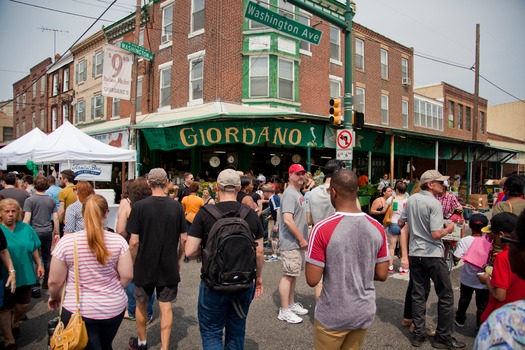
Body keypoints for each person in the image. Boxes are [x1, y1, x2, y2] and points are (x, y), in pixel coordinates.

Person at [306, 169, 389, 349]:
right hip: (363, 311)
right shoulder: (377, 227)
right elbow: (382, 274)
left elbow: (312, 279)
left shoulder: (321, 229)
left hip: (333, 313)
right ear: (356, 191)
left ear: (333, 192)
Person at [185, 168, 265, 349]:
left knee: (212, 332)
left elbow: (189, 251)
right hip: (244, 282)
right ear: (238, 189)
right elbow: (259, 252)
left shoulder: (205, 214)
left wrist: (207, 251)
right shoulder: (249, 214)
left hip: (213, 282)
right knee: (236, 332)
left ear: (217, 187)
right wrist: (258, 278)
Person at [48, 194, 133, 350]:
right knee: (106, 344)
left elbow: (54, 281)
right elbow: (127, 275)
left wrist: (54, 296)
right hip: (112, 307)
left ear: (82, 213)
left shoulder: (67, 242)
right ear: (106, 213)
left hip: (78, 308)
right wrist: (112, 289)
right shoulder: (118, 241)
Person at [398, 169, 466, 349]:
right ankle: (443, 336)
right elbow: (436, 234)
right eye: (440, 182)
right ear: (430, 184)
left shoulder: (411, 199)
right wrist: (449, 228)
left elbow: (400, 223)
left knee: (418, 294)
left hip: (415, 253)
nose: (443, 185)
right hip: (433, 254)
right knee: (445, 294)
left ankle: (419, 334)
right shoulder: (434, 203)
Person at [127, 168, 187, 350]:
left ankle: (142, 341)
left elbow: (134, 242)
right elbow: (184, 238)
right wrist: (178, 258)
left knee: (141, 302)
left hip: (144, 263)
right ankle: (165, 347)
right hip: (168, 262)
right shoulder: (176, 206)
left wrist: (132, 262)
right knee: (166, 305)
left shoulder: (139, 207)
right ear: (167, 182)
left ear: (148, 183)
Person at [474, 209, 525, 348]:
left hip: (501, 321)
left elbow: (500, 295)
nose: (491, 237)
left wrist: (486, 280)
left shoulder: (503, 257)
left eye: (494, 234)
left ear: (501, 235)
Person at [0, 198, 43, 350]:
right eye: (7, 211)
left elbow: (34, 248)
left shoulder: (26, 228)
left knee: (23, 304)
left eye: (13, 211)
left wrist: (39, 264)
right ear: (1, 213)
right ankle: (8, 339)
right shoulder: (0, 230)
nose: (10, 214)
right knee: (5, 307)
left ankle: (15, 320)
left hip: (24, 272)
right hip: (4, 275)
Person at [115, 178, 155, 323]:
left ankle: (132, 310)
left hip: (131, 243)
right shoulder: (153, 203)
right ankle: (148, 313)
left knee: (132, 277)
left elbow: (120, 230)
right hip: (151, 245)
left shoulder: (127, 204)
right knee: (149, 280)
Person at [277, 164, 309, 324]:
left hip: (295, 242)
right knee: (288, 275)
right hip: (291, 242)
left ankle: (290, 304)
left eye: (302, 174)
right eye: (297, 174)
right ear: (290, 175)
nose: (301, 176)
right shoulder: (290, 194)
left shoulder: (297, 193)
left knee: (293, 274)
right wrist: (302, 239)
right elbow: (288, 220)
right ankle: (284, 310)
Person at [452, 214, 490, 329]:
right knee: (482, 304)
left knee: (464, 299)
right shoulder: (489, 241)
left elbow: (457, 257)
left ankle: (460, 319)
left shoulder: (465, 240)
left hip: (467, 278)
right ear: (485, 227)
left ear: (470, 226)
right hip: (483, 279)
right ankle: (480, 324)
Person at [22, 175, 59, 292]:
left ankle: (35, 285)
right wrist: (56, 231)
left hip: (34, 231)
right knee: (47, 257)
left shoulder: (30, 200)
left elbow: (27, 219)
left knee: (34, 257)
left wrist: (22, 231)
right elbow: (56, 218)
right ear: (46, 185)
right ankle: (47, 281)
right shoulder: (51, 200)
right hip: (47, 230)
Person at [387, 181, 409, 274]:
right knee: (403, 247)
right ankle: (402, 268)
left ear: (396, 189)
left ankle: (390, 266)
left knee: (391, 247)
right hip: (404, 225)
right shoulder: (408, 200)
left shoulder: (392, 199)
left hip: (393, 223)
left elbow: (385, 208)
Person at [57, 169, 77, 234]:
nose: (60, 180)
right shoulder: (78, 189)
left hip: (67, 221)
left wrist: (58, 221)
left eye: (61, 178)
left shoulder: (63, 192)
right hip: (79, 221)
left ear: (65, 179)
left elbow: (61, 211)